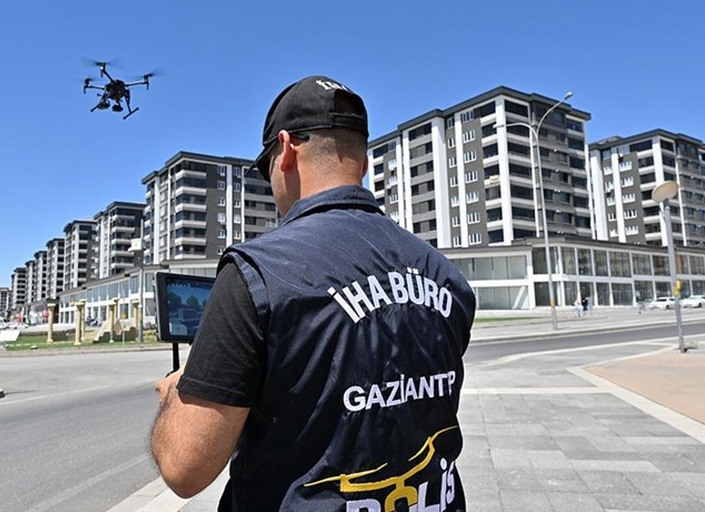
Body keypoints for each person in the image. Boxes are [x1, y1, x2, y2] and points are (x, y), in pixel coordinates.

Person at [150, 75, 476, 511]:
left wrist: (175, 397)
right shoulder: (445, 276)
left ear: (284, 150)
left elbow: (185, 468)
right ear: (361, 162)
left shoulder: (259, 272)